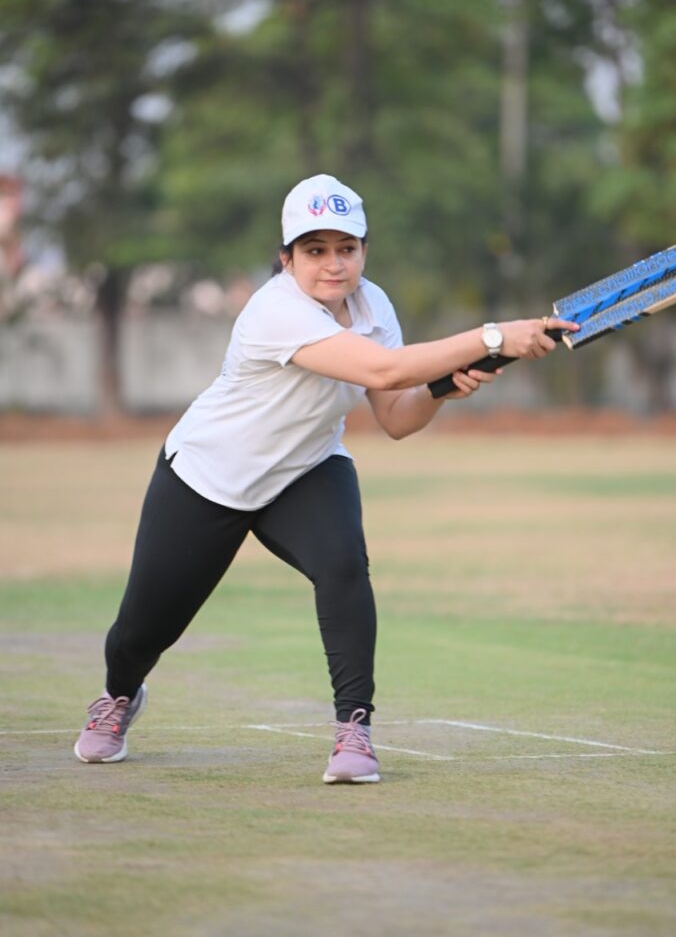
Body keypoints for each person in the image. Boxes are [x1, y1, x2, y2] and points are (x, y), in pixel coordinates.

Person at [74, 174, 578, 784]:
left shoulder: (374, 306)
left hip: (307, 468)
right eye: (315, 251)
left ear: (364, 251)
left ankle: (353, 728)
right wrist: (494, 336)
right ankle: (119, 695)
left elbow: (396, 416)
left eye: (347, 248)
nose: (334, 264)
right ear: (287, 259)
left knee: (343, 565)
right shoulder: (275, 310)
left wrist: (442, 389)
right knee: (143, 629)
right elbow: (386, 371)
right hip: (208, 475)